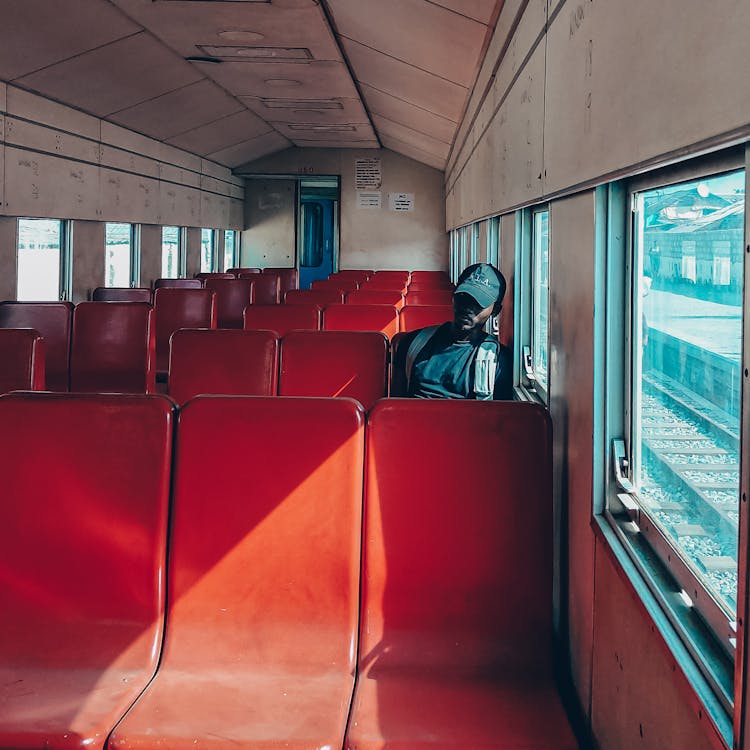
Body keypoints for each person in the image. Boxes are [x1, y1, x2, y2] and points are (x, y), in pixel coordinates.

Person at [393, 263, 513, 399]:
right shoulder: (412, 344)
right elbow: (395, 406)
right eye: (463, 297)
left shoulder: (497, 361)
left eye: (479, 303)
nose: (467, 308)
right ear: (453, 296)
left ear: (495, 310)